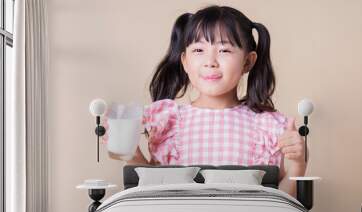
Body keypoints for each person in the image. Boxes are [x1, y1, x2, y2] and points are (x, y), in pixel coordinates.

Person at [106, 5, 307, 197]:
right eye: (198, 50)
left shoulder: (268, 125)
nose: (210, 61)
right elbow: (151, 189)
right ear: (185, 61)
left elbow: (280, 201)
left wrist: (298, 163)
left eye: (224, 50)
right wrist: (129, 152)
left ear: (248, 61)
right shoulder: (168, 120)